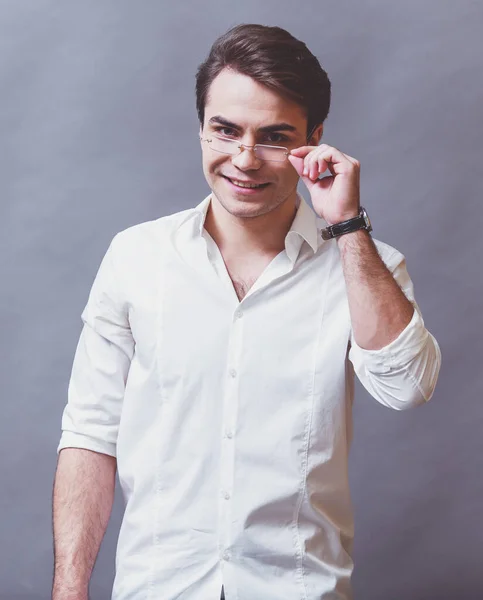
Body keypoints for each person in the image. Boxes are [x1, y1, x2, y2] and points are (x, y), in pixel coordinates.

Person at [52, 23, 441, 600]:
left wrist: (347, 226)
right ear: (201, 128)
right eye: (225, 130)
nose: (245, 158)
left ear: (316, 138)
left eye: (275, 136)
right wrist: (69, 588)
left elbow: (407, 386)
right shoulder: (135, 257)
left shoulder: (366, 266)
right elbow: (90, 435)